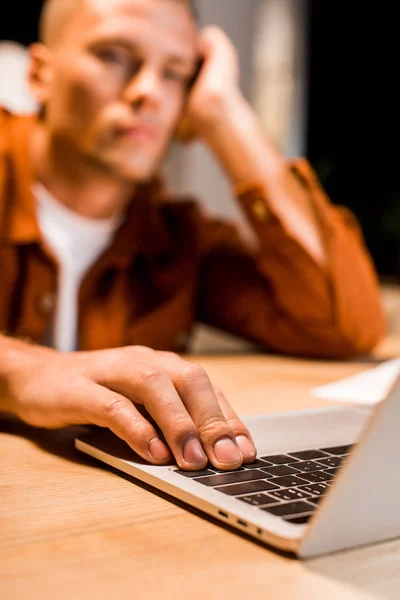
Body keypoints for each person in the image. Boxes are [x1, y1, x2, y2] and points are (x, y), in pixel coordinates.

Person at [0, 0, 385, 472]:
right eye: (114, 56)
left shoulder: (178, 239)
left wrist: (225, 115)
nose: (148, 92)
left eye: (175, 73)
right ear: (40, 73)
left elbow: (342, 325)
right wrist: (26, 371)